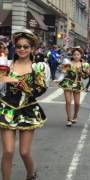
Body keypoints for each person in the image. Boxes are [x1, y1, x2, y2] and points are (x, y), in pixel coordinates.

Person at [0, 29, 49, 180]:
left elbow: (39, 91)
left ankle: (30, 174)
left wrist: (18, 82)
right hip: (7, 109)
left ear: (32, 48)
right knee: (8, 151)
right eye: (19, 46)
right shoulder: (6, 65)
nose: (22, 49)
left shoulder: (38, 67)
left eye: (26, 46)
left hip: (28, 110)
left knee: (24, 152)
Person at [56, 47, 90, 126]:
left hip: (77, 83)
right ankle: (69, 119)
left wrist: (81, 71)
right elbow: (63, 73)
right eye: (74, 54)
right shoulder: (68, 63)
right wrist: (59, 79)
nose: (76, 56)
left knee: (77, 103)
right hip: (67, 82)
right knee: (68, 101)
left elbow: (85, 77)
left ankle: (75, 115)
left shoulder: (84, 64)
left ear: (81, 55)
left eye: (78, 54)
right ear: (72, 55)